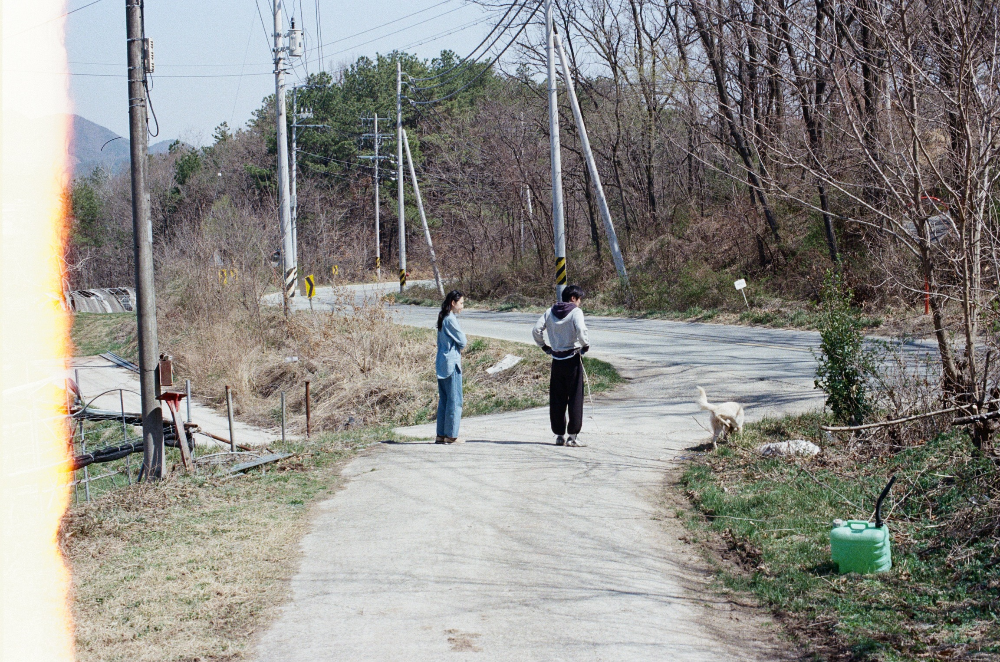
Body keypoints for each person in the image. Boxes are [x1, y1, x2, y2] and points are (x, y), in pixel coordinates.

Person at [532, 284, 590, 446]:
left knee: (557, 398)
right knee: (575, 397)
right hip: (572, 359)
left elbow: (536, 330)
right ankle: (573, 436)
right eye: (579, 299)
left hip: (557, 360)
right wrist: (585, 345)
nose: (580, 302)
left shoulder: (549, 311)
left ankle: (559, 435)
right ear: (573, 298)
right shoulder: (576, 312)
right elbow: (581, 330)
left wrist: (544, 346)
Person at [435, 290, 467, 444]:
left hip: (441, 362)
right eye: (461, 303)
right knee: (455, 400)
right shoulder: (450, 319)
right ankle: (451, 436)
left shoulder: (443, 317)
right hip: (451, 363)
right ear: (453, 303)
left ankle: (441, 435)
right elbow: (463, 341)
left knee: (444, 400)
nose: (462, 306)